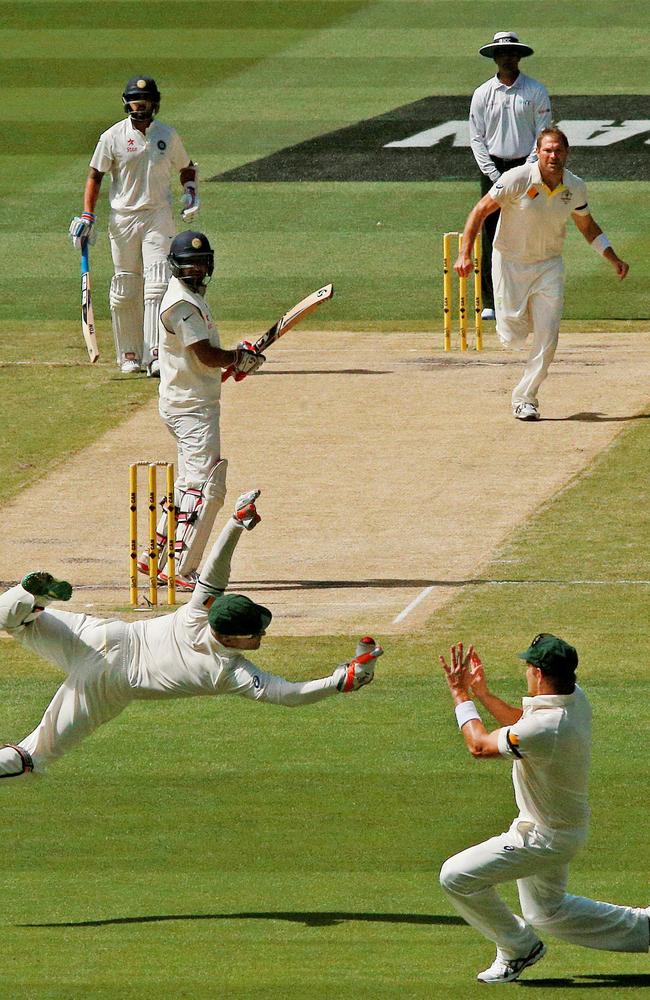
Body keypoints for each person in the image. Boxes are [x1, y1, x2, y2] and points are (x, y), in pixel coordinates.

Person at [0, 491, 382, 778]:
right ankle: (31, 601)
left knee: (17, 622)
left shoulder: (198, 613)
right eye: (255, 634)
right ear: (233, 639)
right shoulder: (227, 672)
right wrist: (339, 682)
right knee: (33, 757)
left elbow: (216, 570)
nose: (261, 638)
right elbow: (287, 695)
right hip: (109, 681)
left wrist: (235, 522)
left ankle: (31, 597)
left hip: (103, 635)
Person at [438, 635, 649, 984]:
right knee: (546, 912)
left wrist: (461, 696)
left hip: (543, 837)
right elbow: (524, 724)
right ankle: (646, 929)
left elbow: (479, 746)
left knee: (456, 876)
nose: (525, 673)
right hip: (559, 829)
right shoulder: (573, 699)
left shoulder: (547, 726)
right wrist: (485, 695)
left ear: (536, 672)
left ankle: (517, 947)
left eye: (526, 667)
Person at [455, 127, 629, 421]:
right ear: (537, 152)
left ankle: (525, 398)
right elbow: (480, 211)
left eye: (558, 150)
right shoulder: (518, 178)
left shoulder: (574, 187)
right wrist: (464, 252)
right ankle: (515, 325)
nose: (553, 156)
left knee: (548, 338)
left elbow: (587, 226)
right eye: (547, 150)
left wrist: (613, 258)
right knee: (513, 335)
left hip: (549, 265)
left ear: (567, 153)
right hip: (509, 262)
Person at [136, 229, 265, 593]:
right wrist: (235, 358)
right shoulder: (181, 304)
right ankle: (181, 569)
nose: (195, 269)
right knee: (207, 487)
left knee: (189, 484)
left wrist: (232, 363)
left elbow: (202, 360)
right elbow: (204, 354)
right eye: (189, 264)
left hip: (190, 400)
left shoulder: (188, 297)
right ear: (177, 267)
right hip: (190, 408)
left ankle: (155, 554)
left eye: (200, 262)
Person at [69, 76, 200, 376]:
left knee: (156, 284)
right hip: (123, 218)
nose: (139, 106)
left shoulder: (167, 134)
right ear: (126, 102)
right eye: (135, 101)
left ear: (155, 102)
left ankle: (155, 354)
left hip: (158, 214)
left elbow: (186, 167)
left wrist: (191, 192)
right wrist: (88, 215)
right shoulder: (112, 137)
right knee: (126, 286)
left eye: (145, 101)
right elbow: (95, 175)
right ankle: (129, 352)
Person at [469, 31, 552, 321]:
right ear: (495, 58)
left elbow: (543, 134)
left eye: (511, 53)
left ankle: (526, 297)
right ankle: (492, 301)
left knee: (528, 230)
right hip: (493, 168)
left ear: (518, 56)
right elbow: (476, 138)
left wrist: (526, 171)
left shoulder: (535, 91)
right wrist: (493, 174)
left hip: (526, 170)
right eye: (501, 53)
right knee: (491, 232)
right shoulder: (482, 93)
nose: (507, 57)